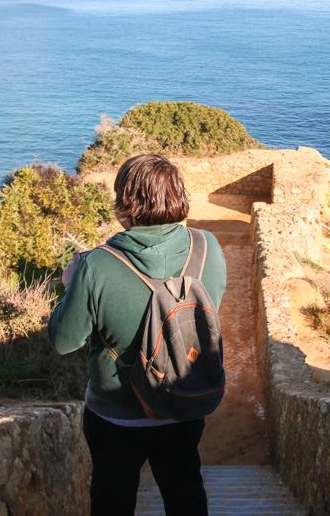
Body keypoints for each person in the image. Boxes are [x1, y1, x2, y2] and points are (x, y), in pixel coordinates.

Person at [48, 153, 227, 515]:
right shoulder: (208, 246)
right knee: (185, 490)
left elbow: (64, 341)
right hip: (184, 403)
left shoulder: (94, 265)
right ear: (179, 197)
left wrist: (70, 285)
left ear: (122, 204)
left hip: (116, 414)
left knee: (113, 498)